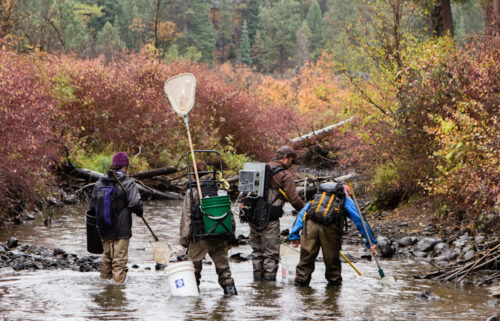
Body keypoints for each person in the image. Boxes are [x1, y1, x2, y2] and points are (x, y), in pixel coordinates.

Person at [290, 182, 378, 286]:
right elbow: (359, 220)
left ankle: (301, 285)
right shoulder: (344, 199)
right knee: (332, 261)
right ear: (346, 192)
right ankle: (333, 290)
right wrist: (371, 242)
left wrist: (294, 235)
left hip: (309, 228)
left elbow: (301, 215)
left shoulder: (317, 197)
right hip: (330, 230)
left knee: (306, 259)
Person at [178, 162, 237, 296]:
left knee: (194, 272)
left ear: (193, 175)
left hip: (199, 238)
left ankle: (194, 307)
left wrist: (183, 242)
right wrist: (231, 237)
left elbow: (186, 219)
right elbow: (229, 214)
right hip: (220, 235)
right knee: (225, 272)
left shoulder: (191, 192)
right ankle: (230, 301)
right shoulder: (220, 188)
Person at [249, 146, 305, 281]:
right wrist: (306, 211)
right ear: (286, 158)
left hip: (252, 217)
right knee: (271, 254)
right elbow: (294, 200)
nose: (291, 165)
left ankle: (257, 286)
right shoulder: (285, 175)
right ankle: (269, 289)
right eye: (291, 161)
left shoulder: (258, 169)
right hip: (270, 219)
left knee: (257, 253)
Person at [88, 152, 143, 283]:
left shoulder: (100, 182)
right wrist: (140, 212)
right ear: (125, 166)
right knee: (119, 262)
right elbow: (135, 203)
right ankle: (117, 294)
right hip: (121, 229)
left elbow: (92, 207)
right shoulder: (128, 182)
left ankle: (104, 288)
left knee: (107, 259)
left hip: (104, 228)